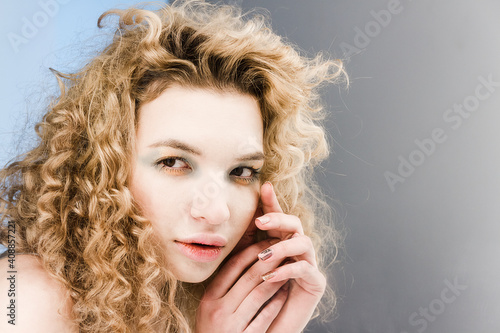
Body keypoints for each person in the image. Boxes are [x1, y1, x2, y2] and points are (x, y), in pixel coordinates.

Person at [0, 0, 346, 332]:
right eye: (174, 163)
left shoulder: (199, 302)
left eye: (241, 172)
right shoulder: (28, 300)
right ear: (100, 166)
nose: (215, 212)